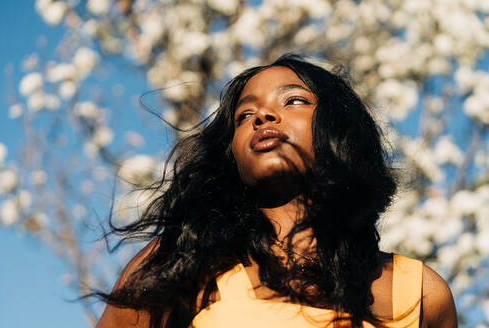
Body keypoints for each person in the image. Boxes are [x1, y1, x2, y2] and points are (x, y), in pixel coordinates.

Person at [96, 55, 457, 328]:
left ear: (340, 128)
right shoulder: (180, 262)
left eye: (293, 100)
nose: (263, 116)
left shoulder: (421, 293)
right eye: (244, 115)